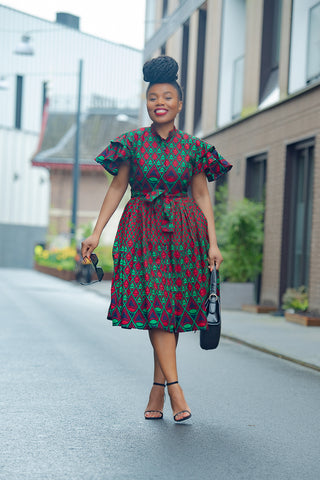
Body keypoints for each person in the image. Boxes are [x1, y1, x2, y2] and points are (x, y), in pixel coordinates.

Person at [81, 55, 232, 422]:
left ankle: (156, 389)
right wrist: (96, 231)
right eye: (153, 98)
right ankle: (176, 390)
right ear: (147, 103)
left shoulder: (195, 148)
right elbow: (117, 187)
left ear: (179, 104)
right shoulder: (131, 143)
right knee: (157, 306)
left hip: (185, 232)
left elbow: (201, 196)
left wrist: (212, 242)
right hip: (142, 230)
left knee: (171, 310)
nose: (159, 102)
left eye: (167, 97)